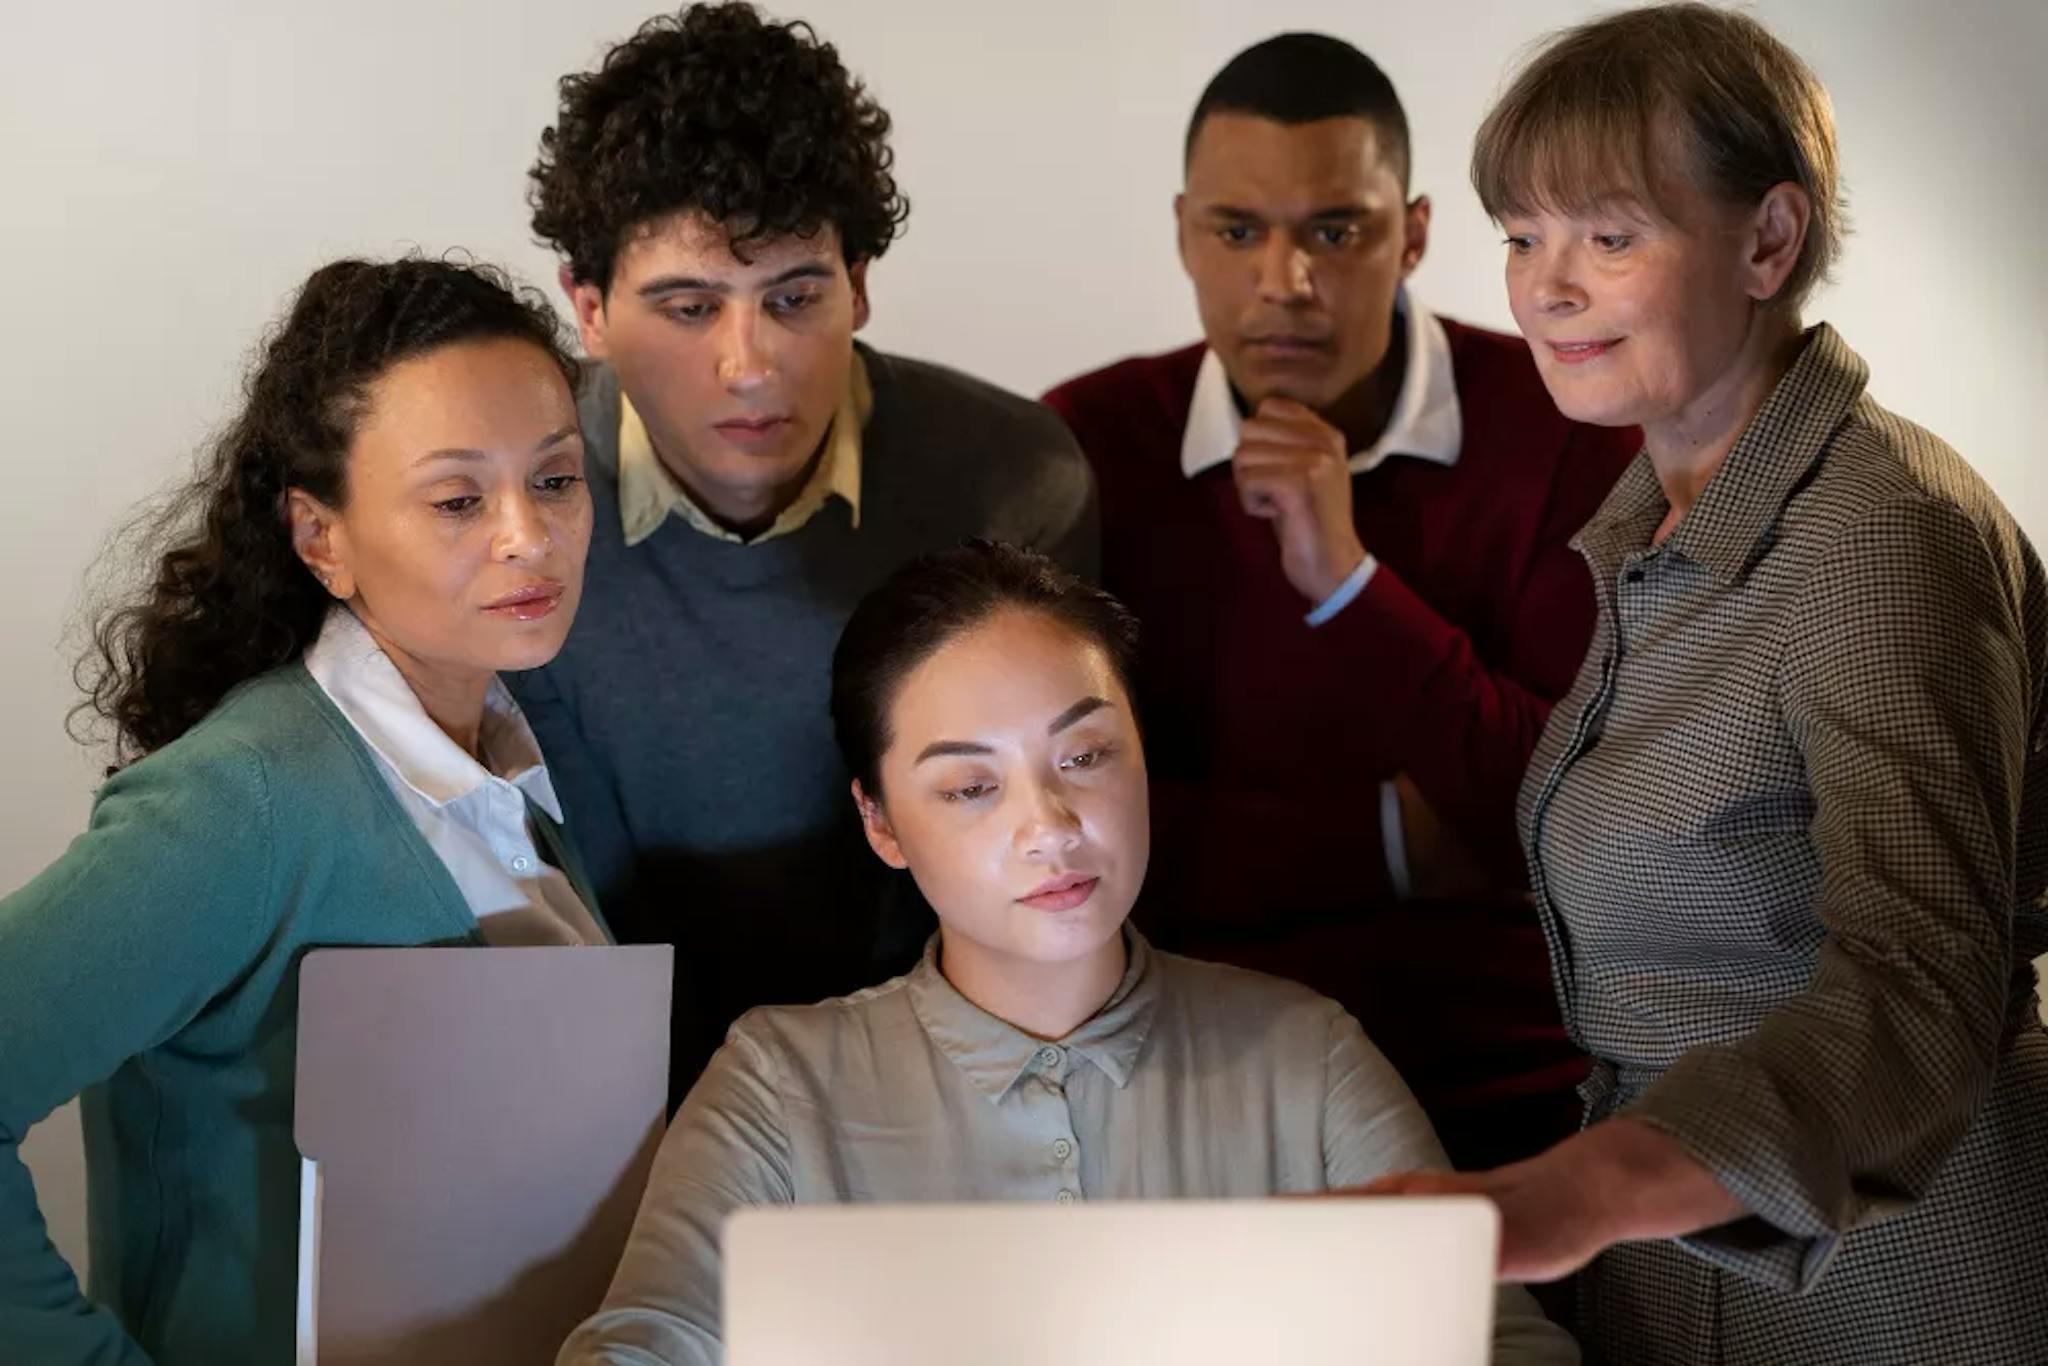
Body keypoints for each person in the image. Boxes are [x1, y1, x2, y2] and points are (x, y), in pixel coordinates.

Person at [1359, 6, 2048, 1363]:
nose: (1546, 288)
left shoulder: (1882, 531)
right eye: (1522, 237)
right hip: (1678, 1273)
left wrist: (1565, 1196)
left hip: (1898, 1285)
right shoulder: (1658, 519)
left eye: (1609, 236)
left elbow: (1921, 986)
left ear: (1769, 240)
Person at [554, 541, 1576, 1366]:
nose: (1048, 825)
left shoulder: (1301, 1055)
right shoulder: (783, 1081)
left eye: (1084, 756)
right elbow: (649, 1338)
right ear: (881, 824)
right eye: (968, 788)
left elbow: (1495, 1339)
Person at [1041, 34, 1636, 1169]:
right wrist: (1393, 841)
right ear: (1182, 234)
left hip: (1511, 1087)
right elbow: (1072, 837)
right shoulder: (1083, 444)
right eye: (1236, 232)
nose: (1284, 283)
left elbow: (1578, 818)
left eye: (1333, 230)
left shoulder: (1566, 428)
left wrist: (1348, 584)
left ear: (1409, 233)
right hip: (1180, 1079)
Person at [0, 257, 609, 1366]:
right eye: (459, 499)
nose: (529, 535)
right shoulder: (245, 802)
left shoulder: (516, 760)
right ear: (319, 535)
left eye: (557, 480)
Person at [512, 2, 1098, 1101]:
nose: (748, 364)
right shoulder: (508, 509)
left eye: (793, 297)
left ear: (860, 283)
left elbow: (1036, 882)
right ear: (586, 309)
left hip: (937, 1084)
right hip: (583, 1093)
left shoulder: (1014, 478)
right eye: (687, 307)